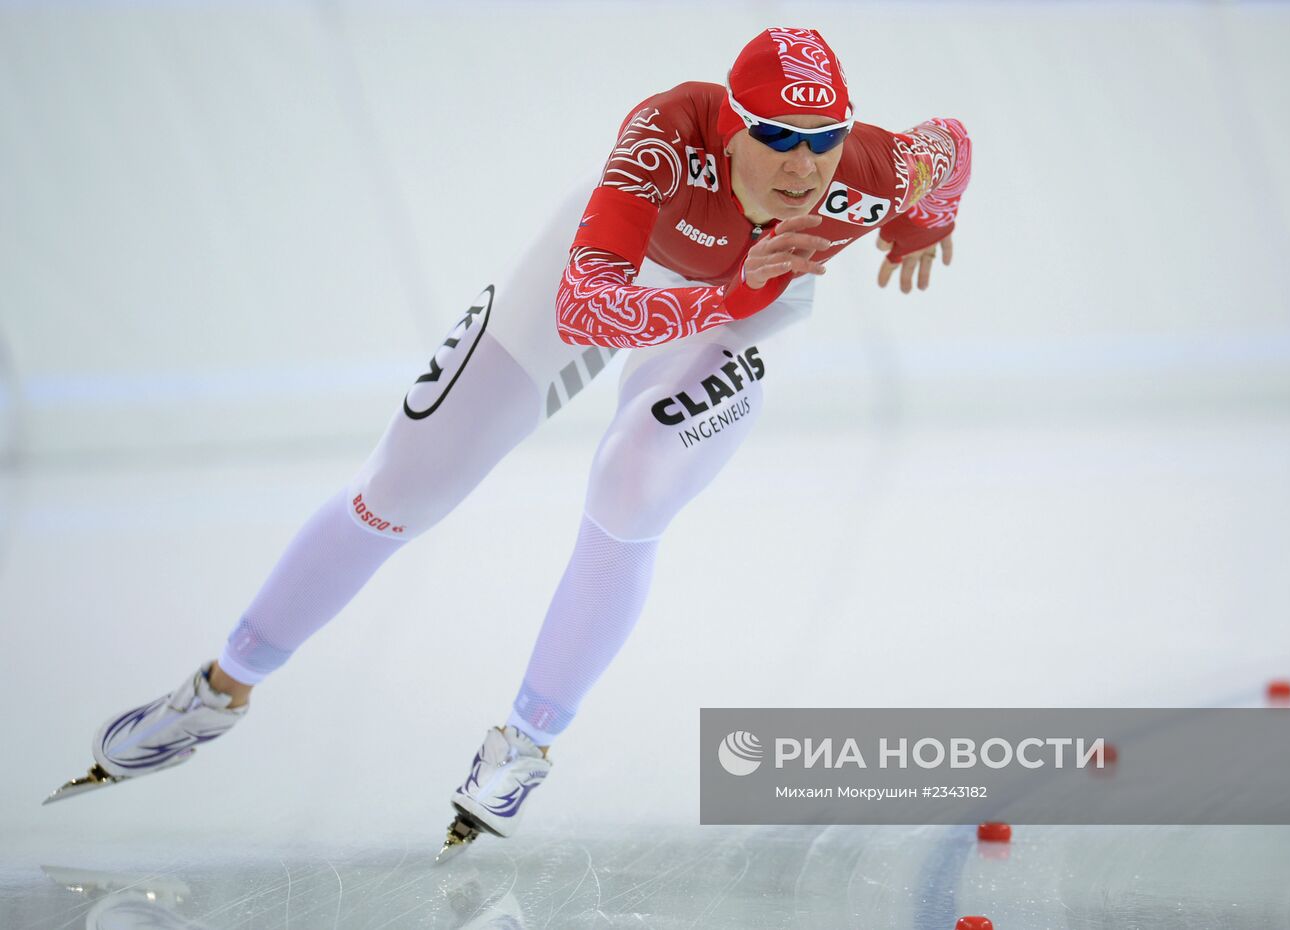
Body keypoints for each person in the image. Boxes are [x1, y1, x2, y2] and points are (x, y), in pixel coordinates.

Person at [47, 27, 971, 855]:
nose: (802, 166)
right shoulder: (665, 133)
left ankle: (526, 742)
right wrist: (734, 291)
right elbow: (585, 305)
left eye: (821, 141)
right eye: (773, 136)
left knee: (634, 485)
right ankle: (221, 685)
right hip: (610, 274)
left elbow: (954, 147)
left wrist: (926, 223)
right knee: (407, 486)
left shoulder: (881, 168)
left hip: (736, 316)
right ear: (729, 126)